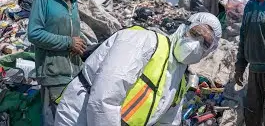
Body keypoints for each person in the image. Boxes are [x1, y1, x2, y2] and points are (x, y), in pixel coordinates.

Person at [54, 12, 222, 126]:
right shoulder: (144, 41)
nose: (196, 45)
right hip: (80, 116)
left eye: (205, 43)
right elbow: (104, 99)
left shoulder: (179, 81)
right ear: (184, 27)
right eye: (196, 34)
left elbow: (168, 122)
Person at [28, 0, 86, 126]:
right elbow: (34, 33)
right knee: (54, 121)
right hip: (53, 74)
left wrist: (79, 45)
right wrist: (68, 42)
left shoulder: (73, 3)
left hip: (74, 74)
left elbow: (73, 34)